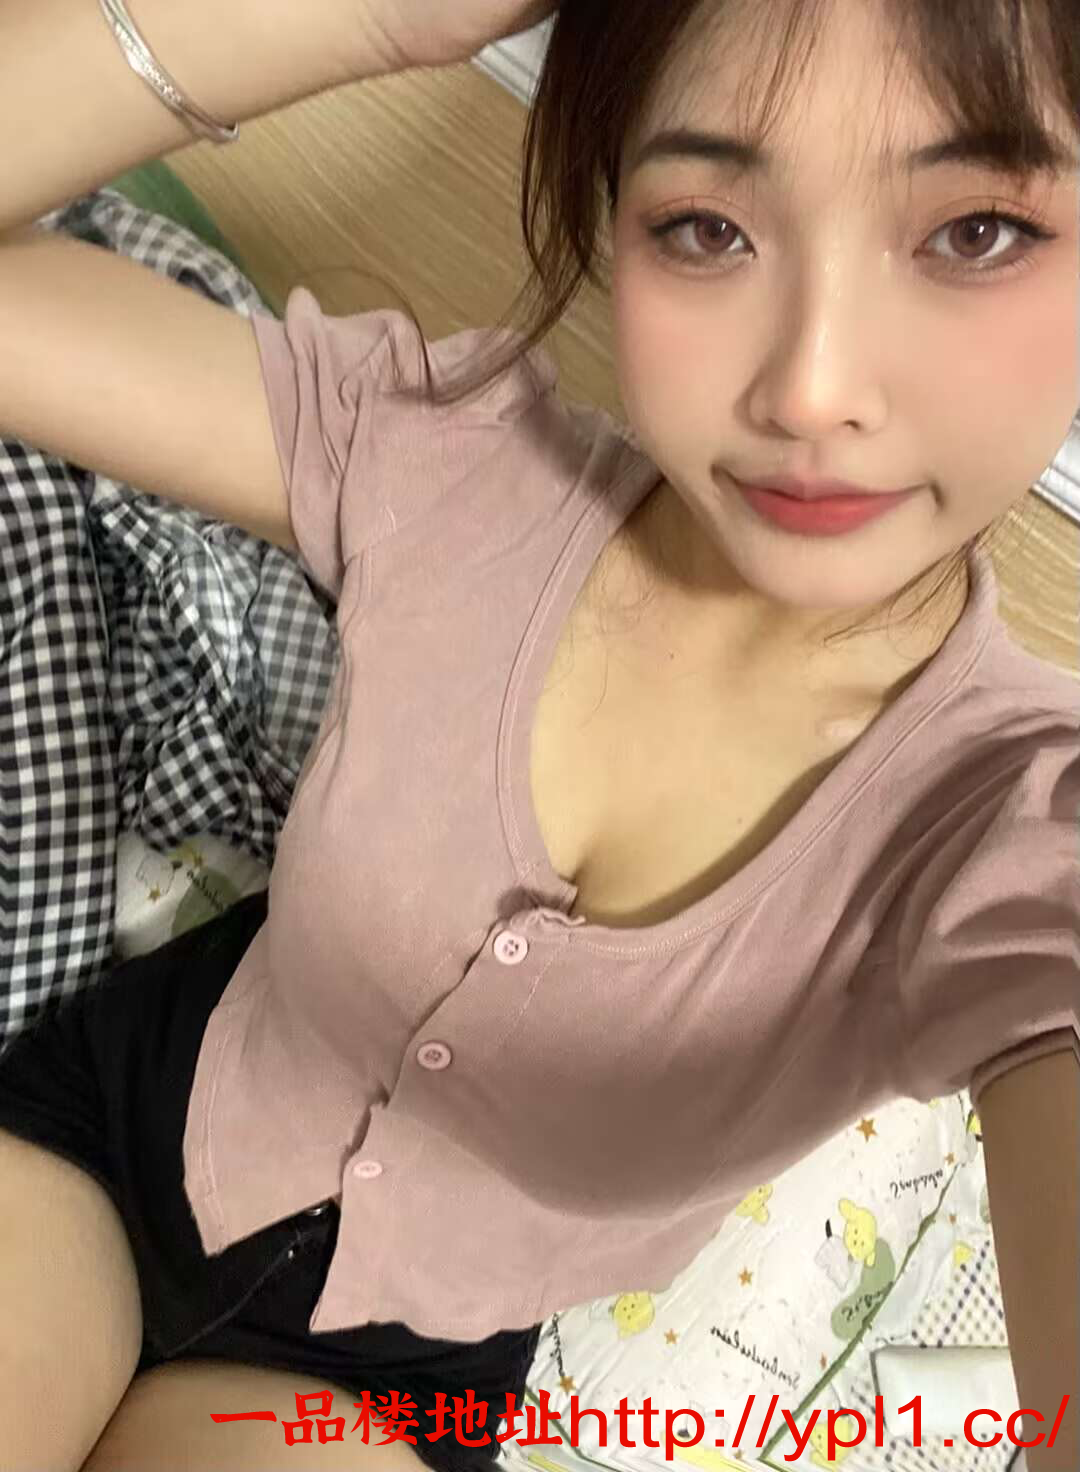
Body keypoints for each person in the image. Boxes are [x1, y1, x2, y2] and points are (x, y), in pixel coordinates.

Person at [0, 0, 1077, 1468]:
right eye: (706, 227)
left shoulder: (1017, 829)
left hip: (389, 1377)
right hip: (114, 1133)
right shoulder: (445, 458)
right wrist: (375, 17)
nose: (812, 388)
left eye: (975, 234)